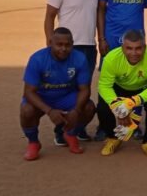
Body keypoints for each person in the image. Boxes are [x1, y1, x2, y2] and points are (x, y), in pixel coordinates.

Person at [96, 0, 147, 141]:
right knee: (108, 83)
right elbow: (101, 9)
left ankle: (132, 124)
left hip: (136, 41)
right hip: (111, 38)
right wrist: (101, 38)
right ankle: (105, 125)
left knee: (137, 82)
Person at [44, 0, 98, 143]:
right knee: (67, 90)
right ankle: (61, 132)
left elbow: (97, 17)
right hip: (67, 49)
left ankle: (76, 129)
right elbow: (50, 16)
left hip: (89, 47)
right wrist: (50, 42)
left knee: (84, 90)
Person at [20, 28, 95, 160]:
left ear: (72, 43)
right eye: (59, 45)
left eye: (67, 45)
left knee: (89, 108)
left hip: (66, 96)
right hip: (42, 97)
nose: (63, 49)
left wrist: (76, 110)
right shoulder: (37, 59)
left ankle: (70, 133)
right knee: (27, 110)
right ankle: (33, 143)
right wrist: (49, 111)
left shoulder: (79, 58)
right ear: (50, 43)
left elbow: (85, 89)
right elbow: (29, 92)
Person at [96, 29, 147, 158]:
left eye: (138, 48)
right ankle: (113, 138)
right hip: (119, 87)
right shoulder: (111, 58)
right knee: (102, 107)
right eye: (129, 48)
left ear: (145, 47)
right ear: (122, 48)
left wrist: (131, 102)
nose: (134, 53)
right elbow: (104, 86)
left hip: (143, 88)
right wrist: (119, 108)